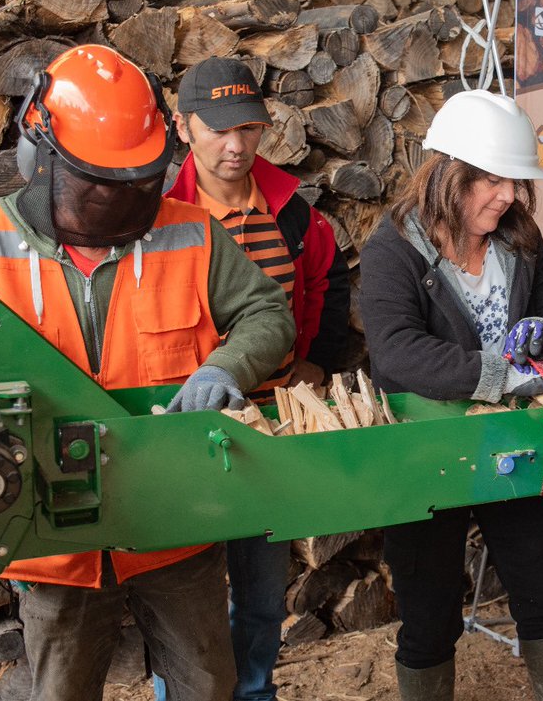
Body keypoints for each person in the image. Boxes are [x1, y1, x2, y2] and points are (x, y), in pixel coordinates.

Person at [0, 45, 295, 701]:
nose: (124, 200)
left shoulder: (192, 234)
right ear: (38, 156)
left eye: (138, 182)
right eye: (102, 185)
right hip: (55, 543)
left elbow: (268, 313)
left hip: (177, 522)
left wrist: (227, 365)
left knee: (207, 685)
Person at [359, 89, 543, 701]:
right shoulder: (394, 249)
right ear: (446, 175)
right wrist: (500, 375)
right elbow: (398, 352)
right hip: (425, 451)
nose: (508, 195)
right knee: (429, 615)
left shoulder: (520, 237)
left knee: (541, 593)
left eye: (514, 181)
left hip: (510, 443)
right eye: (492, 180)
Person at [158, 56, 349, 701]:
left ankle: (255, 692)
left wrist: (320, 354)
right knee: (185, 599)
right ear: (184, 128)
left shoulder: (290, 210)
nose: (235, 145)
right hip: (188, 429)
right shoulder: (160, 213)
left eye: (248, 128)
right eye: (217, 130)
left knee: (264, 591)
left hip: (273, 426)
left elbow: (328, 277)